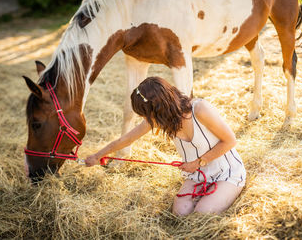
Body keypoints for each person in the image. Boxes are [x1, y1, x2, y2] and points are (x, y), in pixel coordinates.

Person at [85, 76, 246, 215]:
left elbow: (230, 140)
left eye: (145, 114)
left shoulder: (200, 109)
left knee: (202, 213)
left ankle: (225, 191)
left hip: (227, 172)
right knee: (180, 212)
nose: (145, 119)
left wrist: (197, 163)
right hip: (196, 175)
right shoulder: (158, 119)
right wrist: (97, 156)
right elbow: (125, 140)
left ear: (158, 109)